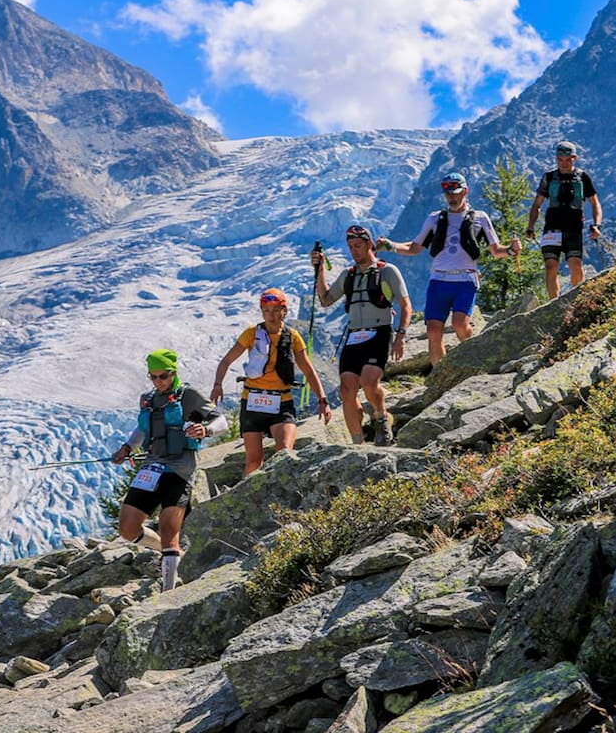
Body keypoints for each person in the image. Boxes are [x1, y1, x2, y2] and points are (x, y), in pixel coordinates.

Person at [110, 349, 228, 591]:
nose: (158, 382)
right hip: (150, 468)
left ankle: (168, 593)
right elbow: (143, 429)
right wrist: (126, 448)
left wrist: (206, 431)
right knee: (127, 528)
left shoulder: (189, 396)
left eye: (162, 376)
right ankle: (172, 554)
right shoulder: (148, 399)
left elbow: (221, 421)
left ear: (174, 373)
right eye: (152, 377)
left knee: (169, 528)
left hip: (180, 470)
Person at [377, 172, 520, 366]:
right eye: (448, 193)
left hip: (465, 281)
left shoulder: (480, 218)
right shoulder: (435, 219)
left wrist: (511, 250)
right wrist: (390, 245)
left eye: (456, 192)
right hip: (438, 281)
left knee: (460, 325)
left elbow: (496, 250)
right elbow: (414, 247)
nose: (452, 196)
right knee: (434, 331)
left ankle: (477, 362)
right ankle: (440, 374)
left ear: (465, 192)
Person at [210, 288, 332, 477]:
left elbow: (308, 369)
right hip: (252, 403)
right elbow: (226, 361)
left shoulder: (292, 336)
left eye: (275, 310)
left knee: (284, 453)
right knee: (253, 461)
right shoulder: (252, 333)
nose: (271, 315)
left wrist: (322, 400)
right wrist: (218, 384)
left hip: (282, 403)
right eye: (266, 310)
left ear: (284, 311)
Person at [312, 225, 412, 446]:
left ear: (370, 245)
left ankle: (381, 416)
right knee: (347, 390)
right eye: (350, 247)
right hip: (354, 336)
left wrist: (401, 335)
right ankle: (358, 443)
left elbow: (406, 306)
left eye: (358, 246)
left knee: (368, 382)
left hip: (380, 333)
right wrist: (319, 272)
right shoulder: (348, 275)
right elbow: (326, 299)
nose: (354, 251)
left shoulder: (387, 271)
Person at [526, 141, 603, 299]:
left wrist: (597, 225)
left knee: (575, 264)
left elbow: (595, 204)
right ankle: (553, 304)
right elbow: (536, 205)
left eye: (568, 159)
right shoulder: (548, 177)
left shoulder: (583, 177)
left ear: (574, 158)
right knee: (550, 265)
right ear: (556, 158)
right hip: (552, 227)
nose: (564, 163)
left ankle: (577, 302)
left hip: (573, 228)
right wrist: (530, 226)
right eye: (561, 160)